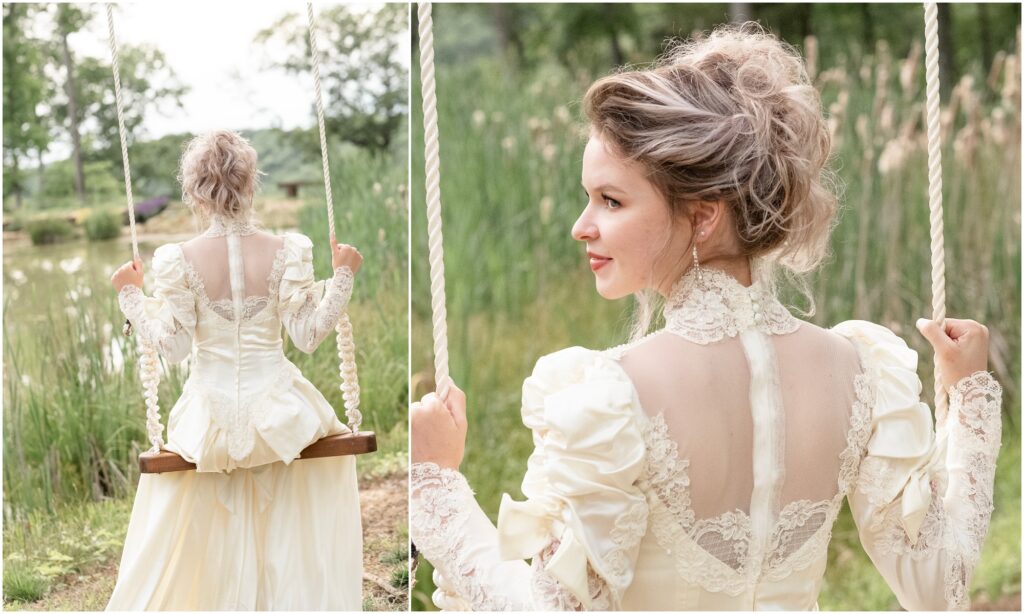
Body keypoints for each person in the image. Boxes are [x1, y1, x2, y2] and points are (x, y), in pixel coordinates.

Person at [410, 25, 1003, 611]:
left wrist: (435, 483)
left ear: (701, 217)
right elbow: (939, 587)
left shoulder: (613, 395)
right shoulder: (861, 370)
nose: (581, 225)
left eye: (610, 200)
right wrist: (968, 397)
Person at [107, 130, 364, 610]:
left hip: (210, 418)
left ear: (195, 192)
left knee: (203, 521)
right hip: (282, 413)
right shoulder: (288, 249)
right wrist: (343, 276)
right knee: (289, 521)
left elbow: (175, 348)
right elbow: (308, 337)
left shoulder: (177, 260)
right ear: (250, 184)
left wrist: (130, 296)